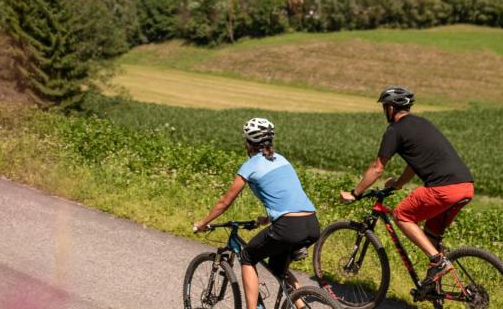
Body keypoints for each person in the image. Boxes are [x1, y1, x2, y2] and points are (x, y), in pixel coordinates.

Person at [339, 86, 474, 295]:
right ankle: (434, 288)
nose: (385, 111)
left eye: (385, 107)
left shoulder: (395, 130)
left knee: (402, 214)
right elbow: (415, 161)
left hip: (443, 188)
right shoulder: (423, 123)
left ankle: (438, 261)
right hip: (465, 187)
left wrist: (355, 193)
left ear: (391, 108)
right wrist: (399, 183)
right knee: (431, 236)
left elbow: (377, 168)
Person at [195, 117, 319, 309]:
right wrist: (269, 218)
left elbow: (225, 202)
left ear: (248, 143)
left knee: (248, 256)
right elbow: (288, 196)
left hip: (287, 227)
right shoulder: (282, 160)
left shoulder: (250, 166)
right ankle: (302, 306)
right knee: (279, 269)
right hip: (311, 223)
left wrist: (203, 223)